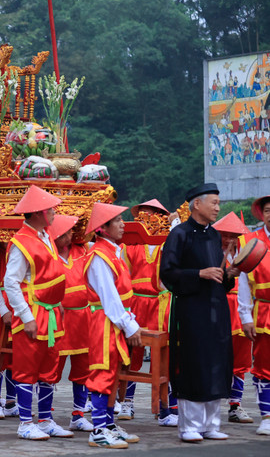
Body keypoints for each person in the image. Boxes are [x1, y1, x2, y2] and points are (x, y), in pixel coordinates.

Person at [159, 183, 235, 442]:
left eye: (218, 202)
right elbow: (167, 273)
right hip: (191, 309)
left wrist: (228, 275)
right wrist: (198, 274)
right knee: (194, 363)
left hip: (216, 309)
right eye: (213, 202)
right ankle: (190, 425)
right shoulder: (179, 234)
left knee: (216, 362)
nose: (217, 207)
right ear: (197, 205)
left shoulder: (215, 236)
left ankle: (212, 423)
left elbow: (218, 275)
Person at [3, 185, 72, 440]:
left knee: (49, 367)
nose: (54, 213)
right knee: (26, 369)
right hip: (33, 312)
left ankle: (45, 419)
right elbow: (11, 282)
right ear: (39, 213)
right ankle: (24, 423)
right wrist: (27, 316)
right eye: (51, 209)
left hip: (52, 312)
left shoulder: (46, 236)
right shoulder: (21, 242)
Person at [83, 203, 141, 449]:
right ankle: (98, 429)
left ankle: (107, 424)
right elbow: (109, 298)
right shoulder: (99, 256)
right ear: (103, 229)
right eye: (117, 220)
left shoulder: (113, 252)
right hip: (104, 322)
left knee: (113, 373)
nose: (122, 224)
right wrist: (130, 325)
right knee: (102, 371)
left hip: (114, 320)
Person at [121, 199, 178, 426]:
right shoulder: (131, 245)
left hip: (160, 303)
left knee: (162, 359)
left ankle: (163, 407)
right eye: (143, 214)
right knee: (131, 354)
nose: (147, 218)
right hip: (136, 302)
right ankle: (126, 402)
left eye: (153, 214)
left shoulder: (168, 244)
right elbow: (123, 275)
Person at [49, 214, 94, 432]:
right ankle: (46, 415)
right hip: (58, 319)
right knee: (51, 368)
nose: (69, 236)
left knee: (83, 367)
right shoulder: (48, 254)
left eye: (71, 232)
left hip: (83, 318)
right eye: (64, 233)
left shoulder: (82, 250)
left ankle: (78, 414)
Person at [211, 212, 254, 424]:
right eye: (224, 234)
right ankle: (208, 407)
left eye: (233, 235)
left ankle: (235, 404)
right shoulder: (211, 252)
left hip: (241, 309)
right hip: (218, 308)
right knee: (212, 357)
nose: (228, 239)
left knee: (241, 359)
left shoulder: (248, 253)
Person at [238, 194, 270, 436]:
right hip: (263, 309)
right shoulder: (251, 241)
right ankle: (267, 416)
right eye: (268, 210)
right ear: (262, 214)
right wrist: (245, 317)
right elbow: (243, 283)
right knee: (263, 365)